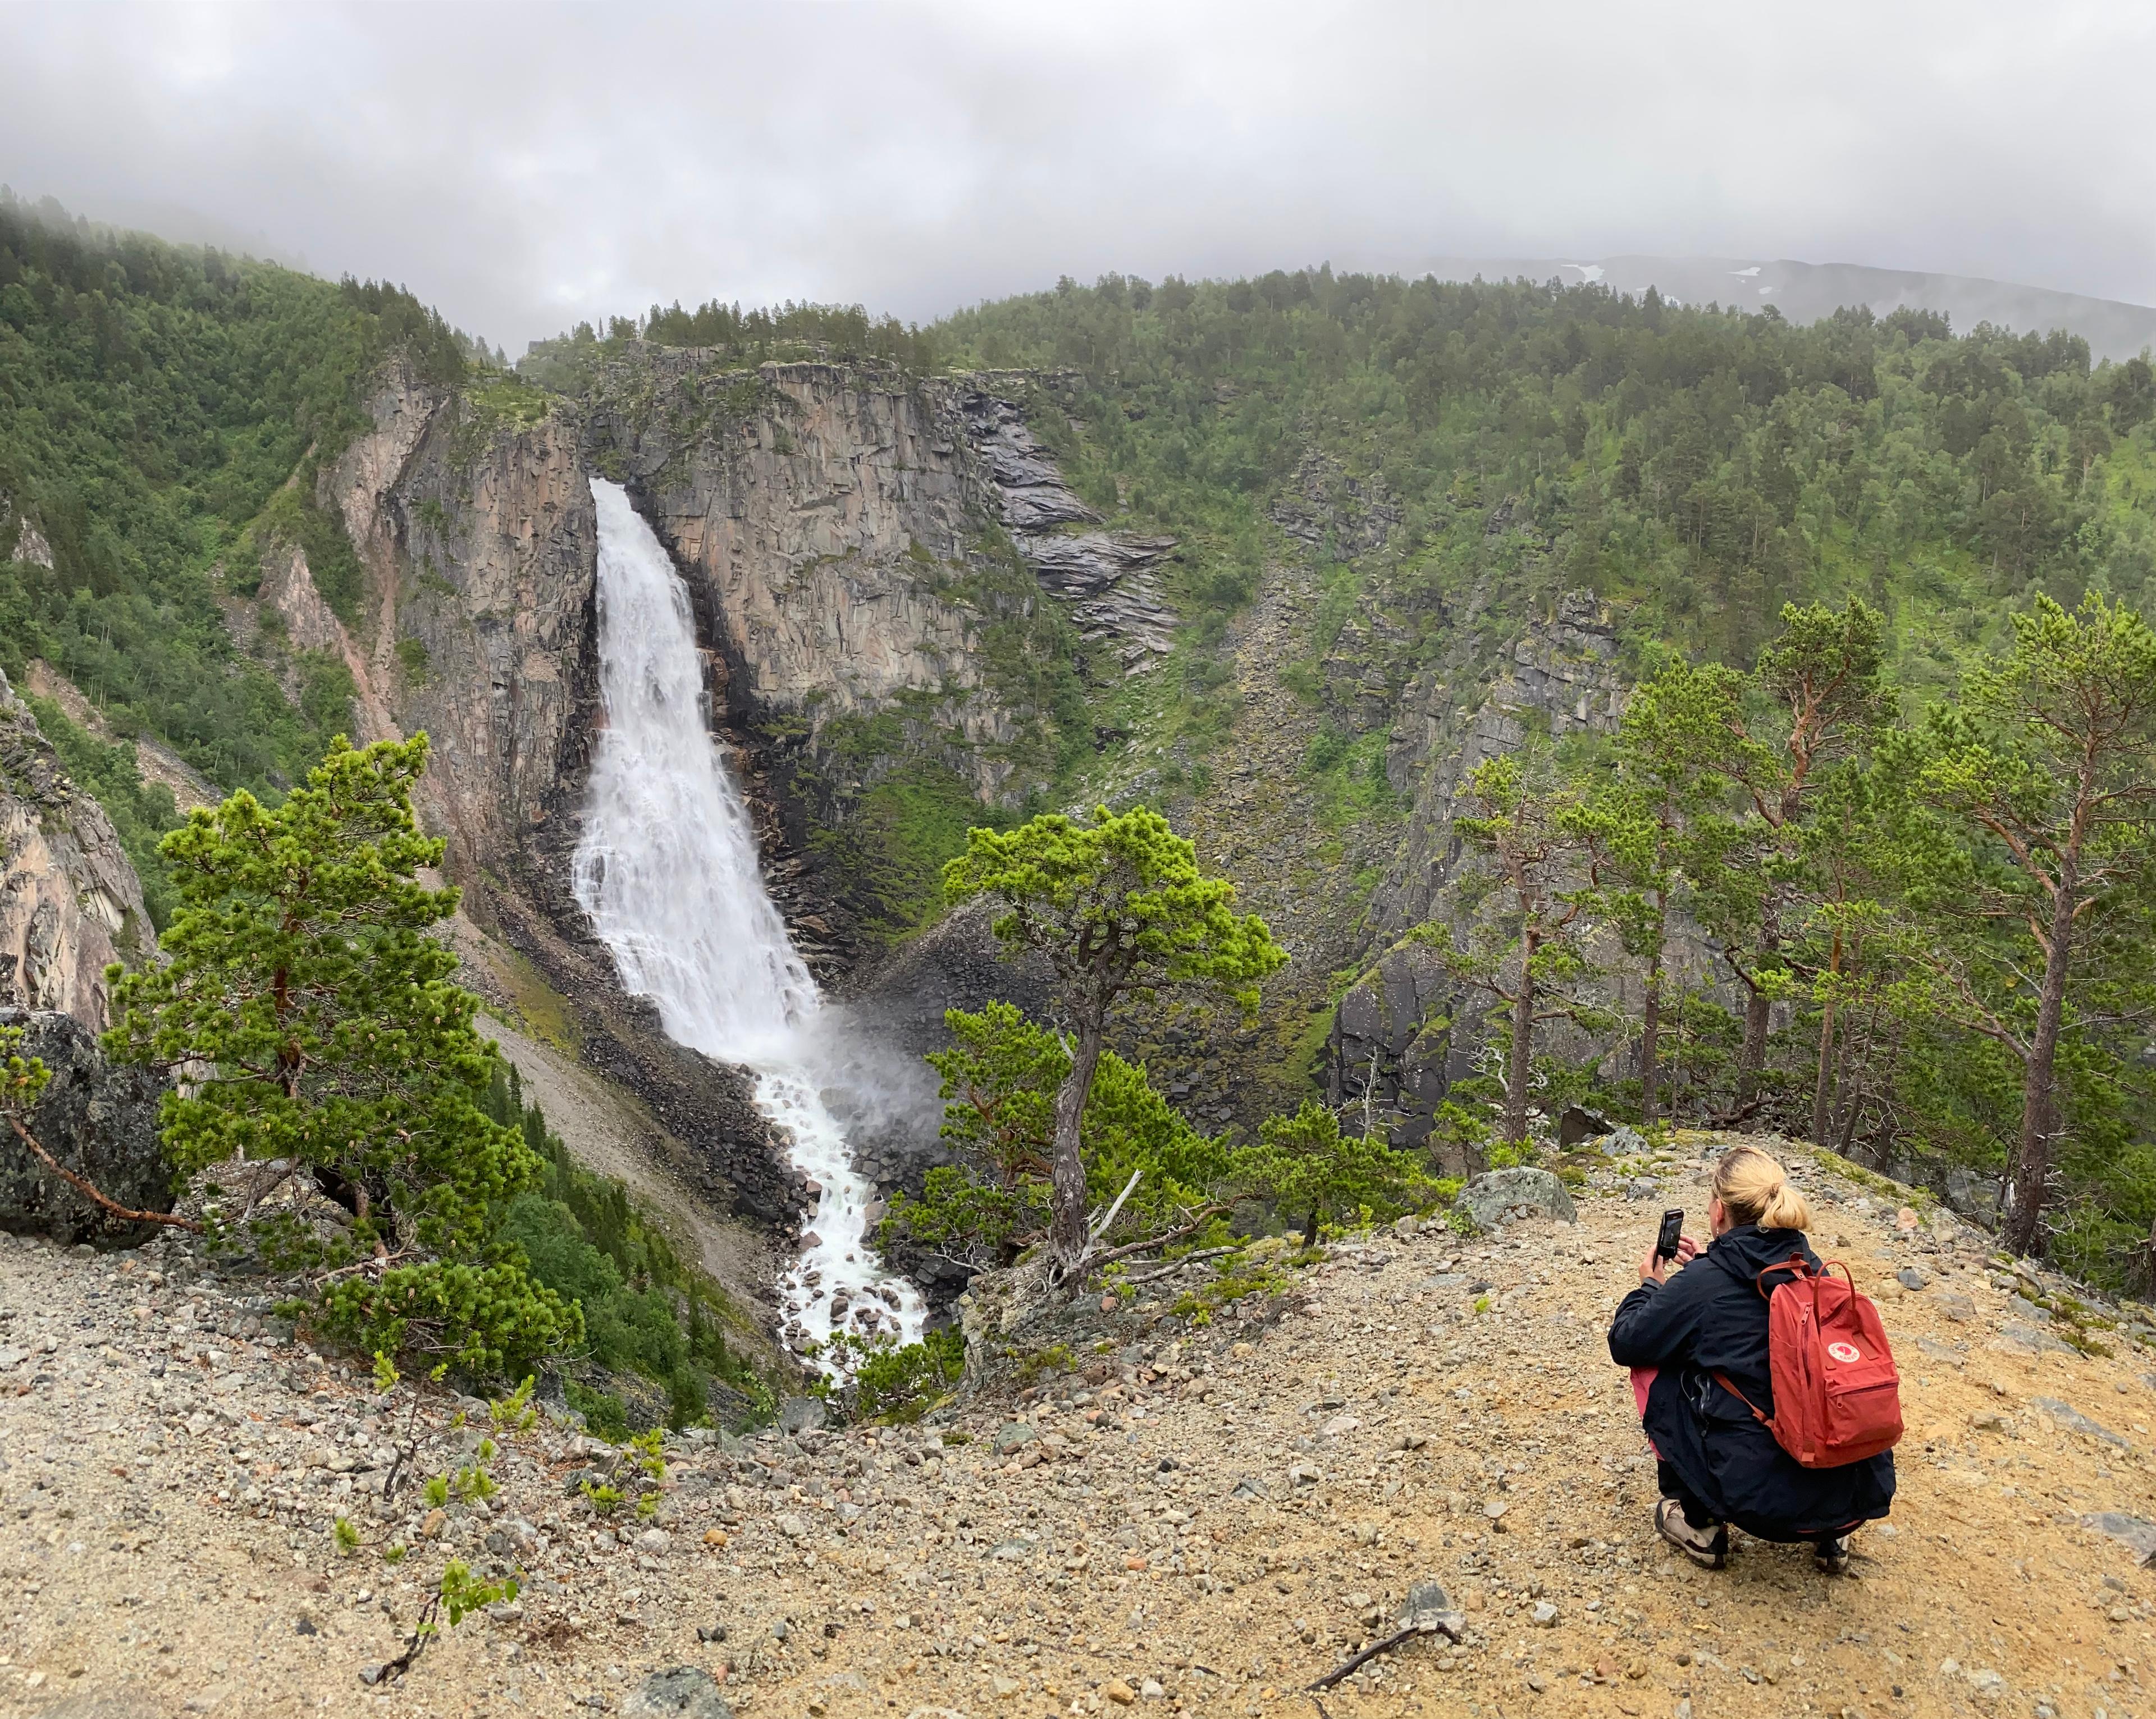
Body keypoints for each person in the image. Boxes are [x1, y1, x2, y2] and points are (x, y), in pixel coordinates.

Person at [1606, 1142, 1895, 1573]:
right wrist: (1709, 1264)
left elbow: (1626, 1342)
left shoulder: (1705, 1285)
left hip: (1761, 1505)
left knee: (1658, 1367)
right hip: (1854, 1497)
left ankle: (1700, 1526)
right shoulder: (1815, 1270)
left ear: (1719, 1211)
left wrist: (1651, 1286)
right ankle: (1832, 1537)